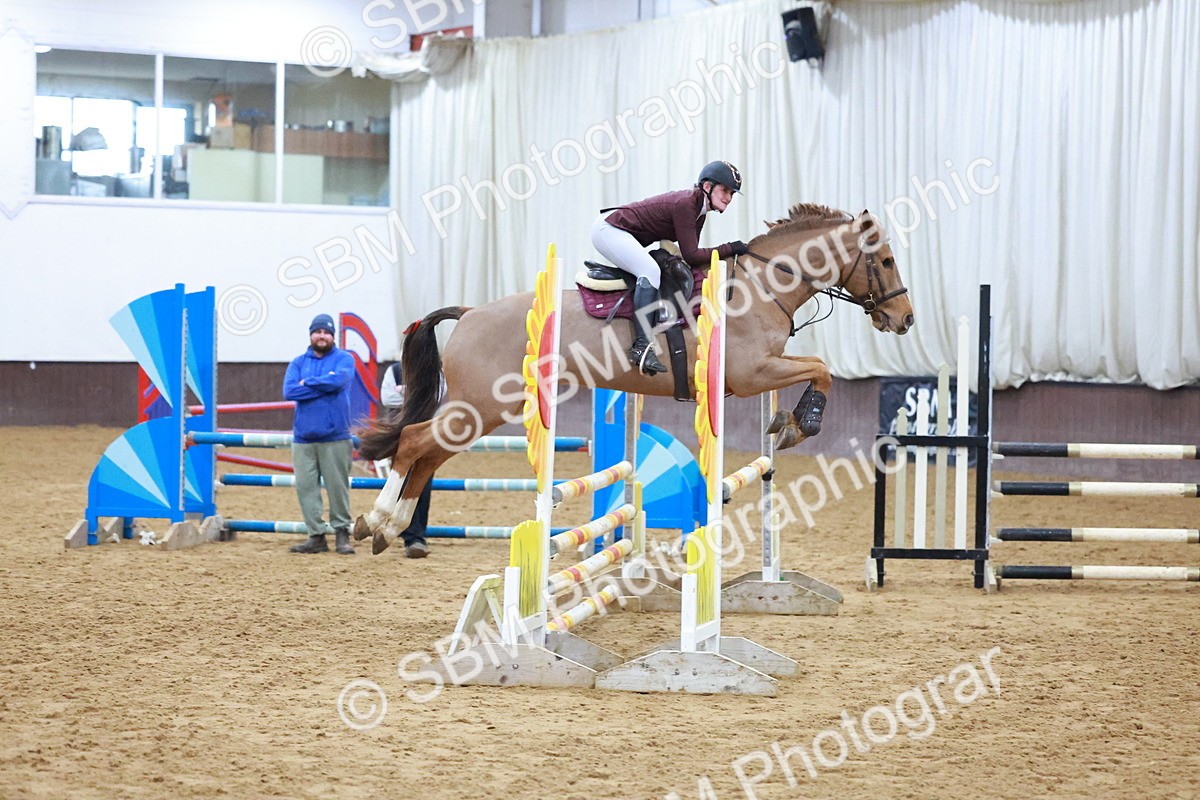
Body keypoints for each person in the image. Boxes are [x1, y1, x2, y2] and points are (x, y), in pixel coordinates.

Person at [591, 160, 750, 375]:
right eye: (724, 190)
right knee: (650, 272)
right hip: (609, 230)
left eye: (731, 193)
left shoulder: (699, 211)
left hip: (620, 232)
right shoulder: (686, 204)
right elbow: (692, 255)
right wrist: (730, 247)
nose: (728, 198)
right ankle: (641, 347)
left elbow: (691, 255)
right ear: (707, 186)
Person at [283, 313, 356, 555]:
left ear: (332, 335)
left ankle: (342, 535)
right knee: (306, 489)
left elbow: (339, 382)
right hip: (303, 438)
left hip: (335, 436)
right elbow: (289, 391)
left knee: (338, 488)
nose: (322, 336)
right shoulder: (297, 362)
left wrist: (308, 383)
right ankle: (316, 536)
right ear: (311, 335)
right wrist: (323, 384)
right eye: (318, 331)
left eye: (326, 332)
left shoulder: (345, 359)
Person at [377, 360, 444, 559]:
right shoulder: (394, 370)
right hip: (400, 437)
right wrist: (419, 394)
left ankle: (414, 536)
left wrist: (404, 392)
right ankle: (412, 536)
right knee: (400, 484)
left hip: (426, 436)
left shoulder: (435, 370)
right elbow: (386, 398)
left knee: (423, 485)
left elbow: (438, 396)